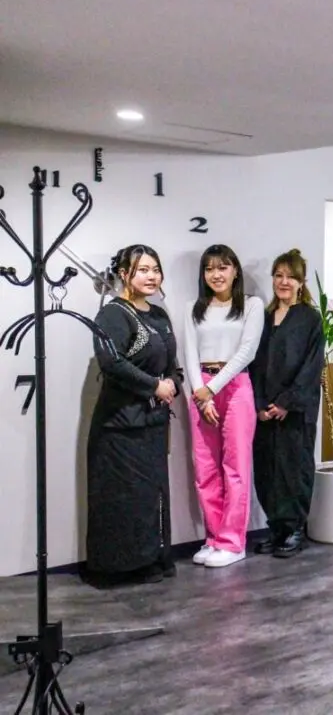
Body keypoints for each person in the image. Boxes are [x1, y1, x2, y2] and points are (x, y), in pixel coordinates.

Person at [86, 245, 180, 584]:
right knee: (122, 496)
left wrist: (172, 383)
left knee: (150, 496)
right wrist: (154, 386)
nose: (151, 276)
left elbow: (173, 365)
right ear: (124, 274)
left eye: (155, 269)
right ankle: (120, 568)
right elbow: (112, 363)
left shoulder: (159, 316)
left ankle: (151, 558)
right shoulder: (113, 314)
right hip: (120, 426)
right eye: (143, 270)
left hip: (153, 424)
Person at [183, 244, 264, 568]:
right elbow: (189, 354)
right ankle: (214, 538)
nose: (216, 274)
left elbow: (248, 351)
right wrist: (200, 392)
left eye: (223, 267)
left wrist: (211, 389)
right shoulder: (193, 308)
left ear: (235, 271)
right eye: (209, 268)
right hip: (200, 387)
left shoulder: (252, 305)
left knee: (236, 466)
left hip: (235, 386)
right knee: (205, 468)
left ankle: (233, 542)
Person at [251, 249, 325, 557]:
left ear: (301, 282)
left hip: (295, 411)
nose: (284, 282)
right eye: (279, 275)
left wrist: (285, 402)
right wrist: (259, 404)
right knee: (267, 469)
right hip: (265, 412)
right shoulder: (264, 318)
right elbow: (254, 363)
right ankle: (276, 528)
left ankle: (294, 529)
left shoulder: (310, 319)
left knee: (293, 469)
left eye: (291, 277)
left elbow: (311, 367)